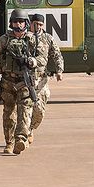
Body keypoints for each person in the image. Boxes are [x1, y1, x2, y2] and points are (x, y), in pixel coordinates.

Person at [0, 9, 45, 154]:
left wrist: (32, 61)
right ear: (11, 23)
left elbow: (43, 58)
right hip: (8, 82)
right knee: (9, 114)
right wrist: (4, 66)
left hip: (25, 82)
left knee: (25, 111)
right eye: (15, 21)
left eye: (21, 22)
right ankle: (9, 142)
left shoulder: (33, 40)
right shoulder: (3, 40)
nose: (18, 25)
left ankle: (21, 138)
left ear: (26, 23)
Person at [29, 13, 64, 144]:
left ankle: (31, 128)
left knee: (39, 110)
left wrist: (59, 70)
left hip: (41, 79)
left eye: (40, 24)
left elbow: (57, 54)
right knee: (23, 108)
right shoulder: (25, 37)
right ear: (31, 24)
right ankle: (23, 132)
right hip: (26, 78)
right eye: (35, 24)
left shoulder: (48, 38)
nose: (38, 27)